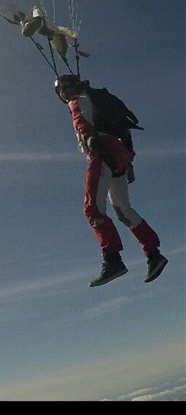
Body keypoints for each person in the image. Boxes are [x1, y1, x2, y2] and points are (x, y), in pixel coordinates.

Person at [55, 74, 168, 287]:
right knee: (123, 209)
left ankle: (112, 259)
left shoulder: (77, 100)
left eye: (63, 90)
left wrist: (93, 143)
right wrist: (128, 162)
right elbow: (119, 131)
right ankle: (153, 254)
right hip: (118, 155)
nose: (63, 95)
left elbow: (82, 122)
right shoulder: (96, 99)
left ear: (68, 89)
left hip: (102, 152)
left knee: (93, 208)